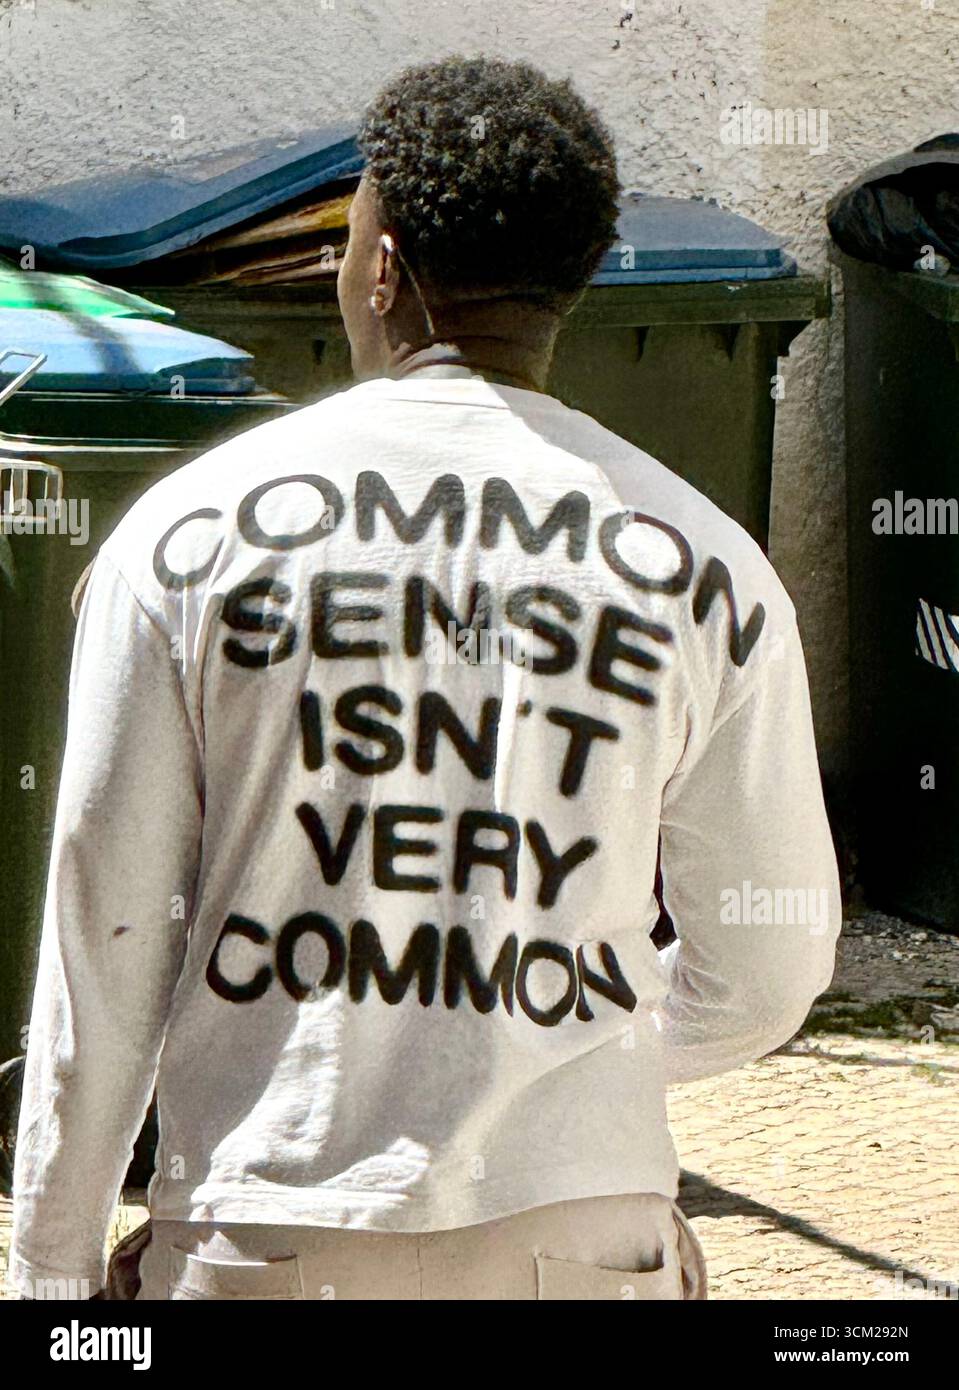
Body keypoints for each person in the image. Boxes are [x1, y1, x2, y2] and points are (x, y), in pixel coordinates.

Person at [9, 56, 840, 1302]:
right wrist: (573, 1062)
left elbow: (107, 938)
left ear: (382, 266)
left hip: (262, 1230)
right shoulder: (707, 567)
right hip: (584, 1236)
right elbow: (770, 966)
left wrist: (54, 1278)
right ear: (574, 286)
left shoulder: (183, 540)